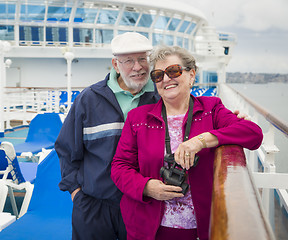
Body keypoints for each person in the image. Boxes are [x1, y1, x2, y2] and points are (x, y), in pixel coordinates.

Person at [110, 45, 263, 240]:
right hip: (147, 228)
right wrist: (147, 187)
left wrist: (201, 140)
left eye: (173, 71)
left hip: (201, 229)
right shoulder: (137, 118)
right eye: (158, 75)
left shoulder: (212, 108)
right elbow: (119, 167)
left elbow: (253, 134)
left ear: (191, 75)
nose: (166, 79)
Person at [55, 32, 160, 240]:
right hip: (94, 207)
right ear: (115, 64)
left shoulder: (161, 97)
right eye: (128, 61)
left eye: (142, 59)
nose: (137, 67)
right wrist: (76, 193)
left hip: (144, 203)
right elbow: (66, 149)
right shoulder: (89, 99)